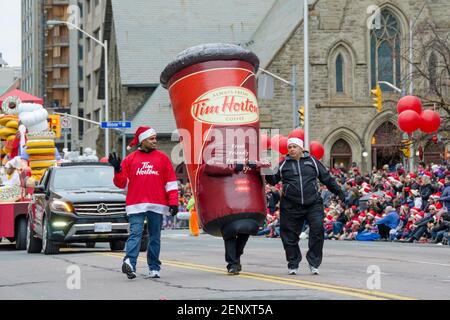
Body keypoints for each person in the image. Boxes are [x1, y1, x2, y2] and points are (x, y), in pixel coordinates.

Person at [265, 138, 345, 275]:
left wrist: (339, 192)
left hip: (313, 203)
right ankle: (293, 263)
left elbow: (326, 178)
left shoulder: (313, 161)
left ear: (302, 149)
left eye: (294, 147)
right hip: (290, 205)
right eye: (289, 147)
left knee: (317, 229)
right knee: (288, 236)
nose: (291, 149)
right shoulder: (283, 164)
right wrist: (265, 168)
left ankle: (314, 262)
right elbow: (273, 180)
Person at [109, 126, 179, 280]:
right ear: (142, 140)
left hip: (157, 203)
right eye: (151, 138)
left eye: (155, 138)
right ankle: (129, 263)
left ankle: (154, 268)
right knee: (135, 233)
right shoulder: (130, 159)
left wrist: (173, 202)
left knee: (155, 237)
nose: (155, 141)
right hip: (135, 204)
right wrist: (117, 169)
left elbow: (171, 183)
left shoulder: (163, 158)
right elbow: (121, 184)